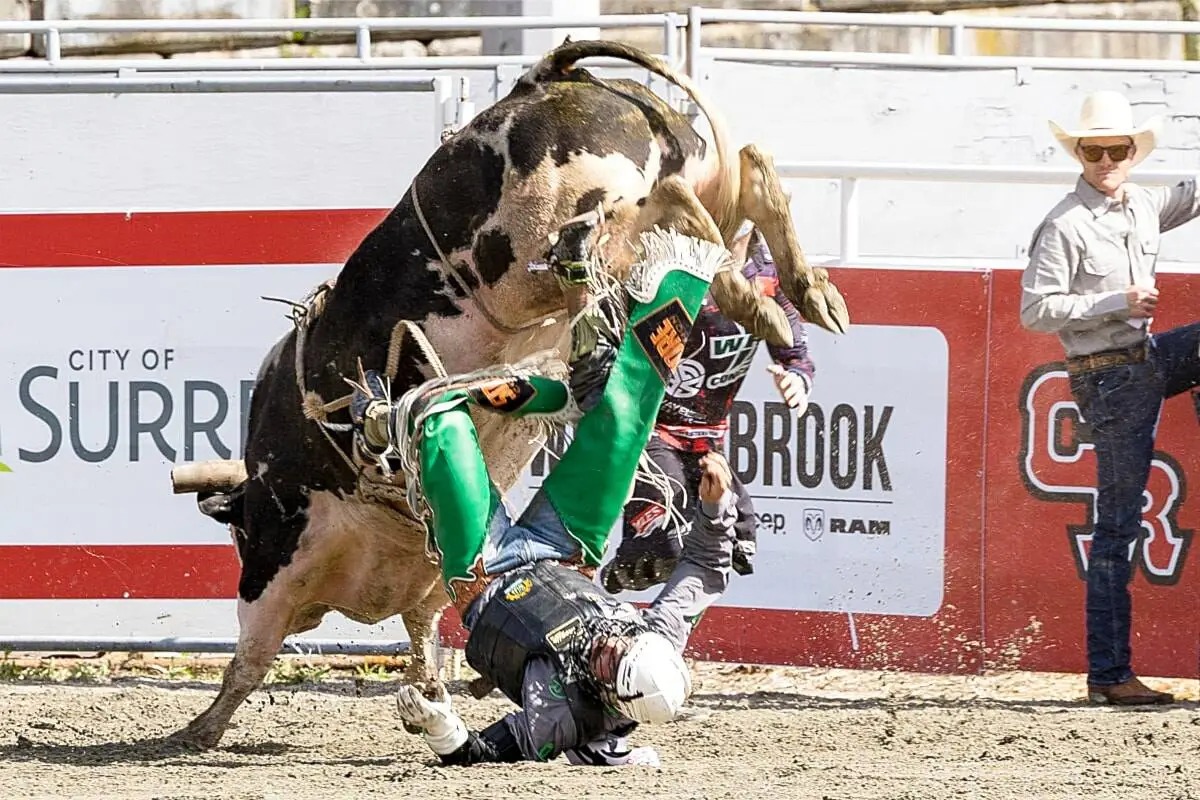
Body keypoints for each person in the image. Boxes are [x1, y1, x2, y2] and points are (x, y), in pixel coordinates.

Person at [351, 224, 740, 765]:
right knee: (622, 425)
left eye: (608, 664)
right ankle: (640, 316)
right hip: (568, 551)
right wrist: (717, 507)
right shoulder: (657, 640)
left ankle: (383, 423)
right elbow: (705, 569)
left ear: (611, 696)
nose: (608, 646)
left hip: (485, 569)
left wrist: (444, 729)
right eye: (620, 646)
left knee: (441, 423)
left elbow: (481, 754)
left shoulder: (559, 720)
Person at [1020, 89, 1200, 706]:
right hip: (1107, 374)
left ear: (1131, 153)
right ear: (1080, 154)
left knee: (1118, 526)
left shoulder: (1142, 206)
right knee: (1117, 527)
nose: (1104, 160)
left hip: (1137, 363)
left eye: (1114, 150)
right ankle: (1108, 673)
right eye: (1093, 151)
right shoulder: (1064, 224)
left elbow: (1196, 192)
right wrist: (1114, 301)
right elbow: (1036, 311)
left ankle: (1110, 673)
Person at [600, 224, 815, 593]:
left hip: (708, 440)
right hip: (648, 427)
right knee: (666, 542)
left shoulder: (768, 272)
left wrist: (796, 378)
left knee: (740, 543)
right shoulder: (672, 259)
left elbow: (795, 350)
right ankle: (623, 572)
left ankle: (666, 614)